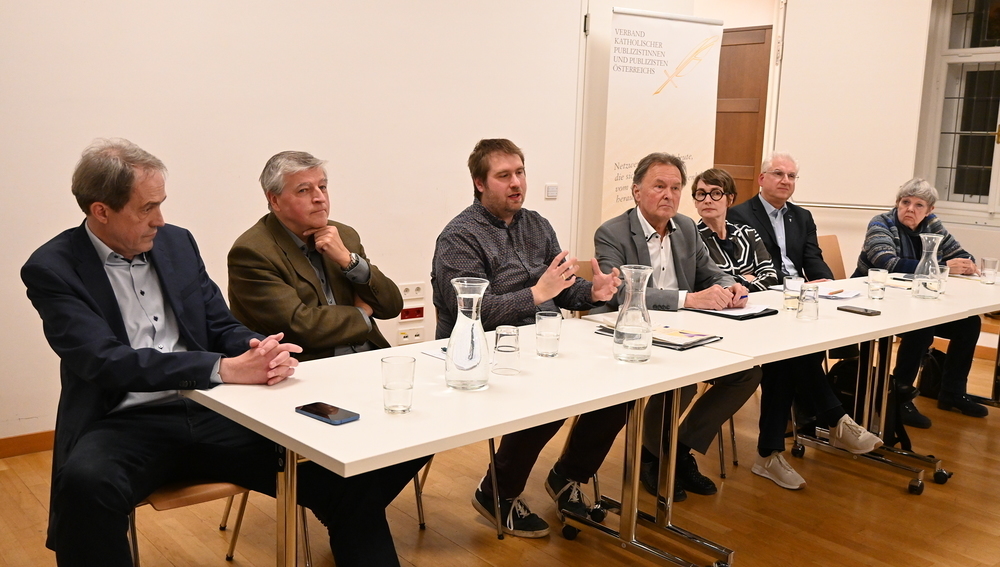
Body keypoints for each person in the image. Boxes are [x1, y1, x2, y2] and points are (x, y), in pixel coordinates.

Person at [21, 139, 423, 567]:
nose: (160, 220)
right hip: (126, 420)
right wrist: (221, 368)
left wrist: (257, 349)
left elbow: (218, 324)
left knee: (347, 479)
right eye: (146, 208)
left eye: (162, 204)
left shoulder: (176, 244)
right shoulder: (53, 267)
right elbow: (102, 360)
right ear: (101, 211)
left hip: (217, 409)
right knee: (85, 486)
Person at [431, 138, 621, 538]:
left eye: (520, 172)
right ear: (479, 183)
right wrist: (537, 293)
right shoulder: (459, 237)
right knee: (547, 395)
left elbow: (564, 289)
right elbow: (472, 314)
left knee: (620, 389)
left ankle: (568, 476)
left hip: (547, 341)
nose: (516, 183)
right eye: (504, 176)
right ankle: (496, 494)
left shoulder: (537, 224)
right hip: (483, 351)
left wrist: (594, 292)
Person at [594, 154, 762, 502]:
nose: (668, 195)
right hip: (636, 332)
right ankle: (652, 459)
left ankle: (679, 449)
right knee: (680, 383)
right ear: (636, 191)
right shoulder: (611, 232)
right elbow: (622, 291)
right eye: (659, 187)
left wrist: (732, 285)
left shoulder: (685, 227)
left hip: (687, 331)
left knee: (747, 373)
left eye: (675, 188)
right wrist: (688, 299)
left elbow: (711, 271)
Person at [727, 151, 882, 490]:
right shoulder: (738, 215)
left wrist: (828, 284)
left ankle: (771, 452)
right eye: (779, 174)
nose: (786, 181)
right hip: (762, 306)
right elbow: (745, 272)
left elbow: (814, 259)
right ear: (762, 179)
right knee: (791, 355)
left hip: (801, 304)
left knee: (792, 356)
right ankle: (834, 420)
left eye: (792, 176)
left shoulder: (802, 216)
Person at [228, 150, 402, 361]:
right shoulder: (252, 252)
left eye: (322, 187)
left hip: (368, 357)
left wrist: (350, 262)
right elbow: (299, 327)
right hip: (307, 368)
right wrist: (362, 312)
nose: (319, 198)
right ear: (274, 200)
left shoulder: (344, 236)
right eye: (304, 190)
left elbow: (391, 307)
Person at [853, 178, 986, 424]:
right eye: (905, 202)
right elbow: (887, 262)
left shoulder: (932, 226)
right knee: (921, 327)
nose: (910, 209)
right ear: (897, 203)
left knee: (969, 324)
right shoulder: (881, 223)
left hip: (913, 301)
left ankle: (952, 392)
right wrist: (945, 266)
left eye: (919, 205)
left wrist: (964, 263)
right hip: (873, 301)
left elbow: (961, 254)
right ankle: (900, 398)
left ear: (929, 210)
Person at [691, 168, 778, 291]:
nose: (707, 200)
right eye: (701, 194)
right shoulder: (693, 239)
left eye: (716, 193)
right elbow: (704, 284)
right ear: (695, 201)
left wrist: (739, 288)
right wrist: (748, 278)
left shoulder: (748, 234)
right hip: (716, 307)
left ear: (730, 199)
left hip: (756, 303)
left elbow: (770, 276)